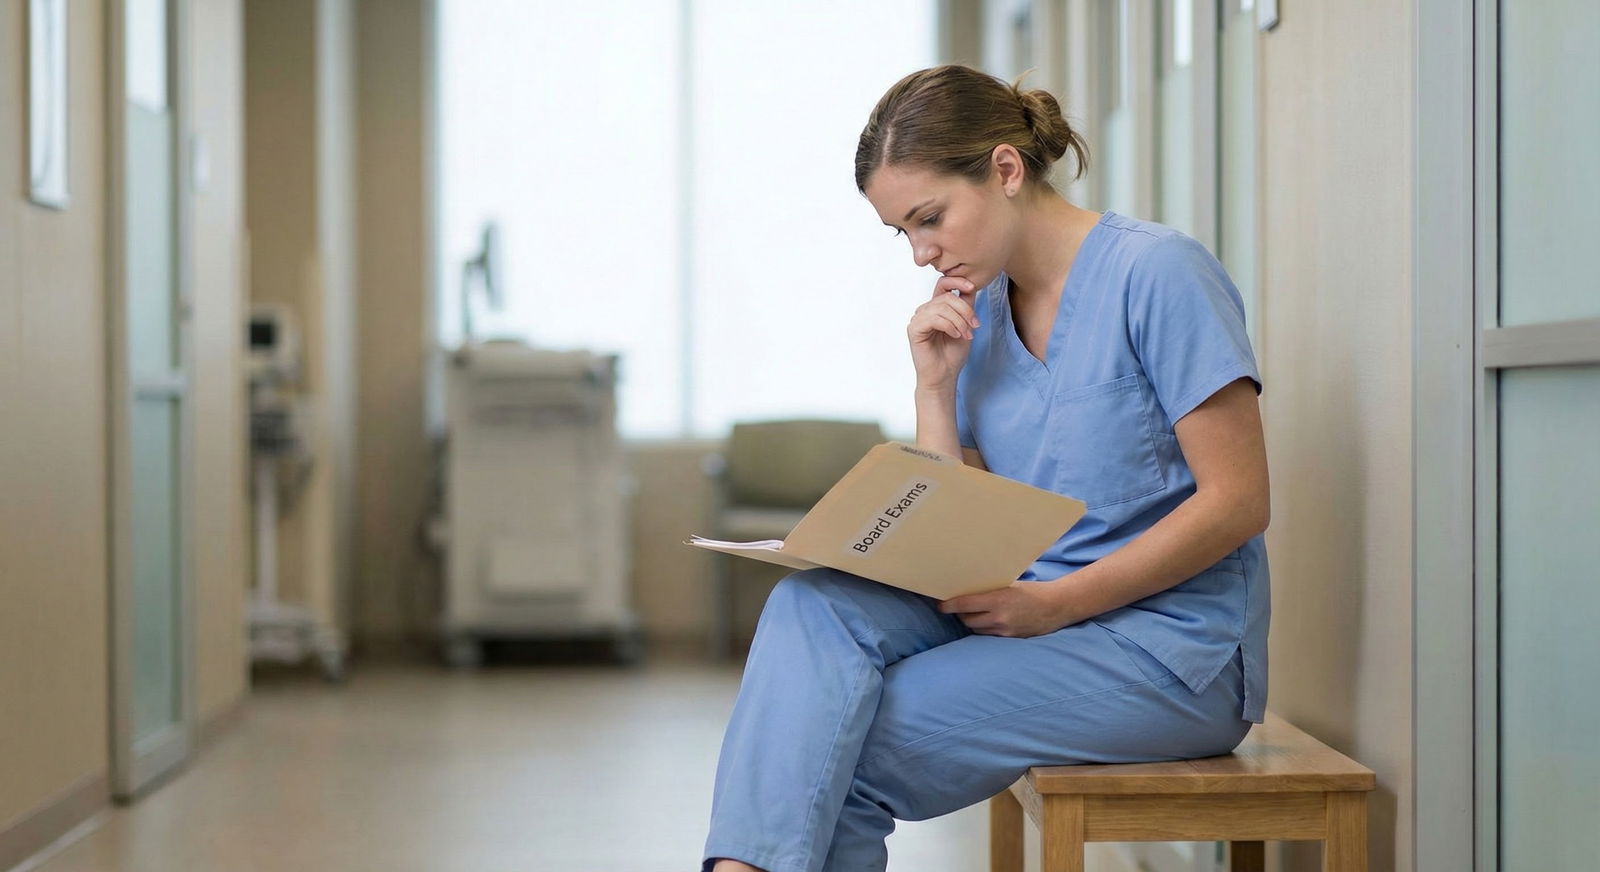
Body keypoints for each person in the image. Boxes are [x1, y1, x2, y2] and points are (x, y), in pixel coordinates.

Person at [701, 64, 1270, 872]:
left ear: (1005, 170)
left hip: (1167, 653)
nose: (920, 254)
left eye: (929, 219)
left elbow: (1240, 502)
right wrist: (935, 388)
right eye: (902, 232)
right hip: (1025, 606)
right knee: (809, 604)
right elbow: (957, 538)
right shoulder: (981, 311)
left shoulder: (1159, 273)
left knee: (837, 747)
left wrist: (1057, 603)